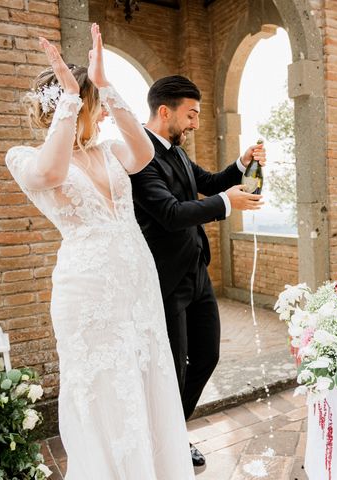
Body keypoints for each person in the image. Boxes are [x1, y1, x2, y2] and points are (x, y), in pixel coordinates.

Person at [5, 24, 195, 479]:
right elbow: (49, 175)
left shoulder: (109, 151)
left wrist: (104, 86)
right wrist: (72, 96)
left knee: (146, 381)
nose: (103, 115)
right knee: (106, 391)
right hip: (88, 293)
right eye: (96, 106)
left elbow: (145, 152)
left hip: (137, 285)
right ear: (69, 109)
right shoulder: (24, 157)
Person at [129, 75, 266, 466]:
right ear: (164, 110)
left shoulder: (177, 151)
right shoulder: (138, 155)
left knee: (207, 356)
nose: (195, 123)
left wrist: (242, 163)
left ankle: (175, 429)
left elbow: (206, 183)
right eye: (191, 115)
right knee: (171, 369)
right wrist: (227, 202)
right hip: (166, 279)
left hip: (197, 272)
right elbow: (171, 214)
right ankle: (166, 444)